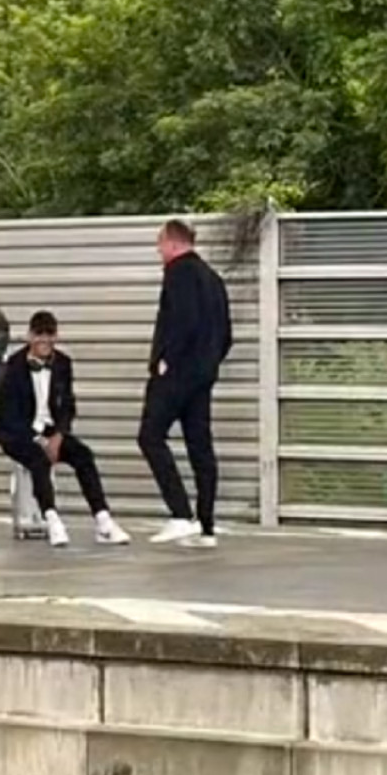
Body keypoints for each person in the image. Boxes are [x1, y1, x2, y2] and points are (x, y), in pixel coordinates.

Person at [0, 312, 130, 548]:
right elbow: (9, 416)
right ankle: (52, 519)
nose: (45, 340)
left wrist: (58, 436)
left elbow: (68, 406)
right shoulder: (12, 367)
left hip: (49, 430)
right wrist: (39, 441)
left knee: (83, 455)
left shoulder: (63, 364)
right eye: (39, 335)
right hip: (16, 432)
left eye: (50, 335)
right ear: (29, 336)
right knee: (38, 460)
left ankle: (103, 520)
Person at [138, 218, 233, 548]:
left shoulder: (178, 273)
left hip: (176, 374)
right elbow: (226, 334)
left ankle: (180, 514)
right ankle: (206, 525)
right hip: (203, 376)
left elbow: (182, 320)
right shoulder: (213, 279)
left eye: (160, 243)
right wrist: (208, 364)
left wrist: (166, 360)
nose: (158, 250)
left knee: (150, 436)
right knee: (200, 446)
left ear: (174, 243)